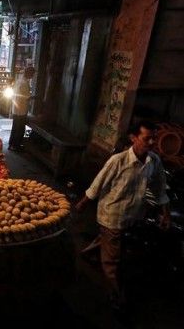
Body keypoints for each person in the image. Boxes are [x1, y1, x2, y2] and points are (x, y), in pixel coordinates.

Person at [75, 120, 170, 310]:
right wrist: (82, 204)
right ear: (133, 138)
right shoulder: (117, 161)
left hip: (133, 216)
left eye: (153, 138)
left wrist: (166, 213)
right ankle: (116, 296)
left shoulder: (154, 162)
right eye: (146, 138)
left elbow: (160, 189)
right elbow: (97, 185)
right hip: (112, 215)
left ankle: (86, 254)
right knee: (112, 262)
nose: (151, 143)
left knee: (109, 242)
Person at [8, 66, 36, 151]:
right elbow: (27, 97)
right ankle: (16, 146)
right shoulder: (24, 83)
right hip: (21, 110)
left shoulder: (19, 80)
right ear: (29, 74)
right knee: (20, 129)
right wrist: (34, 97)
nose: (33, 76)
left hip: (16, 109)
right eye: (32, 74)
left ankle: (11, 144)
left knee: (15, 127)